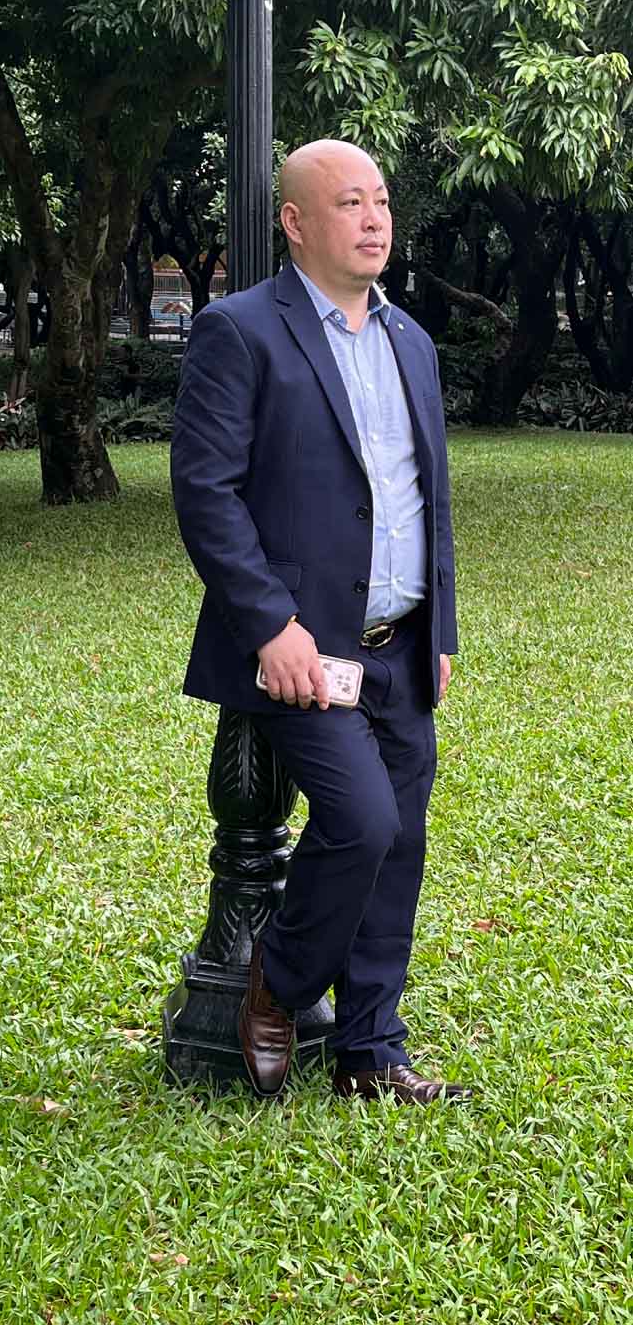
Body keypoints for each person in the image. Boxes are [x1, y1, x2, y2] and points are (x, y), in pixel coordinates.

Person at [171, 139, 471, 1106]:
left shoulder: (410, 339)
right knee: (362, 822)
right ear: (296, 222)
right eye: (350, 202)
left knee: (402, 842)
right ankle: (279, 983)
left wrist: (440, 626)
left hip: (401, 643)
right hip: (300, 650)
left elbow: (426, 494)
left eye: (381, 200)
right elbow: (206, 492)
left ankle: (370, 1051)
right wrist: (272, 627)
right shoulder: (239, 330)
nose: (375, 218)